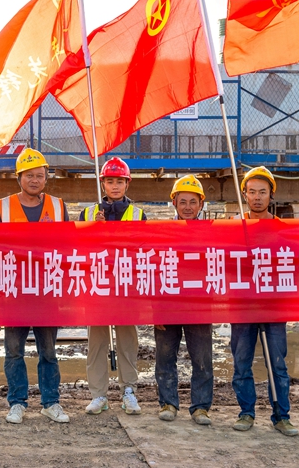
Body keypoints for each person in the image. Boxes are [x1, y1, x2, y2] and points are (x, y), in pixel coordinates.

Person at [0, 148, 70, 425]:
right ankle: (17, 402)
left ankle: (51, 402)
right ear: (18, 177)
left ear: (46, 177)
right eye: (29, 176)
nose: (35, 180)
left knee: (49, 351)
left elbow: (69, 246)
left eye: (39, 175)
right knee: (14, 351)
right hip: (15, 292)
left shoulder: (58, 207)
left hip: (47, 291)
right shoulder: (2, 207)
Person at [230, 166, 298, 436]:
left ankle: (282, 416)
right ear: (244, 194)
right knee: (241, 363)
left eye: (262, 192)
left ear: (271, 195)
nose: (257, 197)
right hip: (242, 307)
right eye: (251, 192)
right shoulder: (234, 226)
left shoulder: (282, 229)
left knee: (277, 364)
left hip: (273, 307)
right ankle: (246, 412)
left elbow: (294, 265)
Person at [78, 157, 145, 416]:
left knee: (127, 342)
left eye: (119, 181)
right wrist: (93, 230)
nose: (114, 186)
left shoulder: (138, 215)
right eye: (110, 181)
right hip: (97, 287)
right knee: (96, 343)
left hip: (126, 288)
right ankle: (99, 394)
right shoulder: (87, 214)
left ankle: (129, 391)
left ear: (127, 184)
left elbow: (143, 250)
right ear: (102, 184)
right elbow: (78, 250)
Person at [154, 175, 214, 426]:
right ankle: (168, 403)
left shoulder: (212, 232)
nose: (188, 207)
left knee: (202, 358)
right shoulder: (162, 233)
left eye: (193, 202)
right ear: (174, 203)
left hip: (199, 305)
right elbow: (154, 270)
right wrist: (155, 309)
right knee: (165, 356)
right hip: (168, 304)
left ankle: (200, 407)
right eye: (183, 202)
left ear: (201, 204)